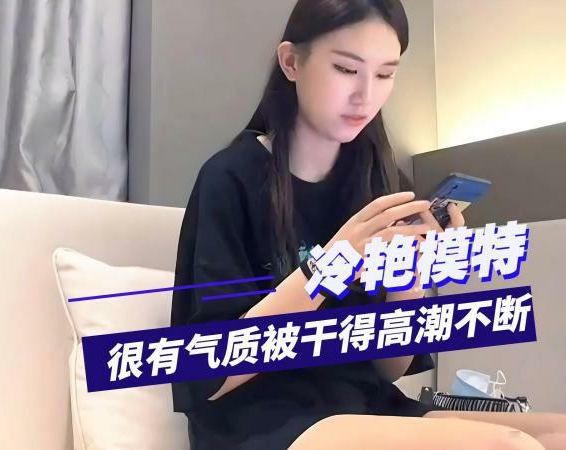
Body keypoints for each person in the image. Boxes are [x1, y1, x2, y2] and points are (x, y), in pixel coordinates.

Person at [170, 1, 566, 449]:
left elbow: (389, 368)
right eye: (346, 69)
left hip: (365, 405)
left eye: (385, 74)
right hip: (264, 418)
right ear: (291, 62)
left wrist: (409, 274)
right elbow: (207, 376)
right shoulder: (230, 178)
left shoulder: (382, 184)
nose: (366, 95)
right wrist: (333, 264)